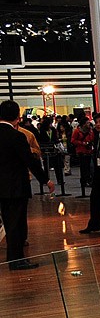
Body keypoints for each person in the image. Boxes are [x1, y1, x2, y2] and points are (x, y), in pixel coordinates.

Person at [0, 100, 53, 269]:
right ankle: (16, 260)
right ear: (17, 116)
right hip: (16, 186)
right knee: (16, 224)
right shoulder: (17, 136)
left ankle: (14, 259)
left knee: (8, 222)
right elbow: (30, 161)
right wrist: (45, 180)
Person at [71, 117, 95, 197]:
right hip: (81, 152)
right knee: (83, 168)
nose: (89, 124)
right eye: (87, 123)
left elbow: (92, 139)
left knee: (90, 167)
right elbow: (73, 141)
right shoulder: (77, 131)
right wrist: (83, 143)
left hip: (89, 152)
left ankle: (89, 180)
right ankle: (84, 182)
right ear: (83, 124)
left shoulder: (90, 131)